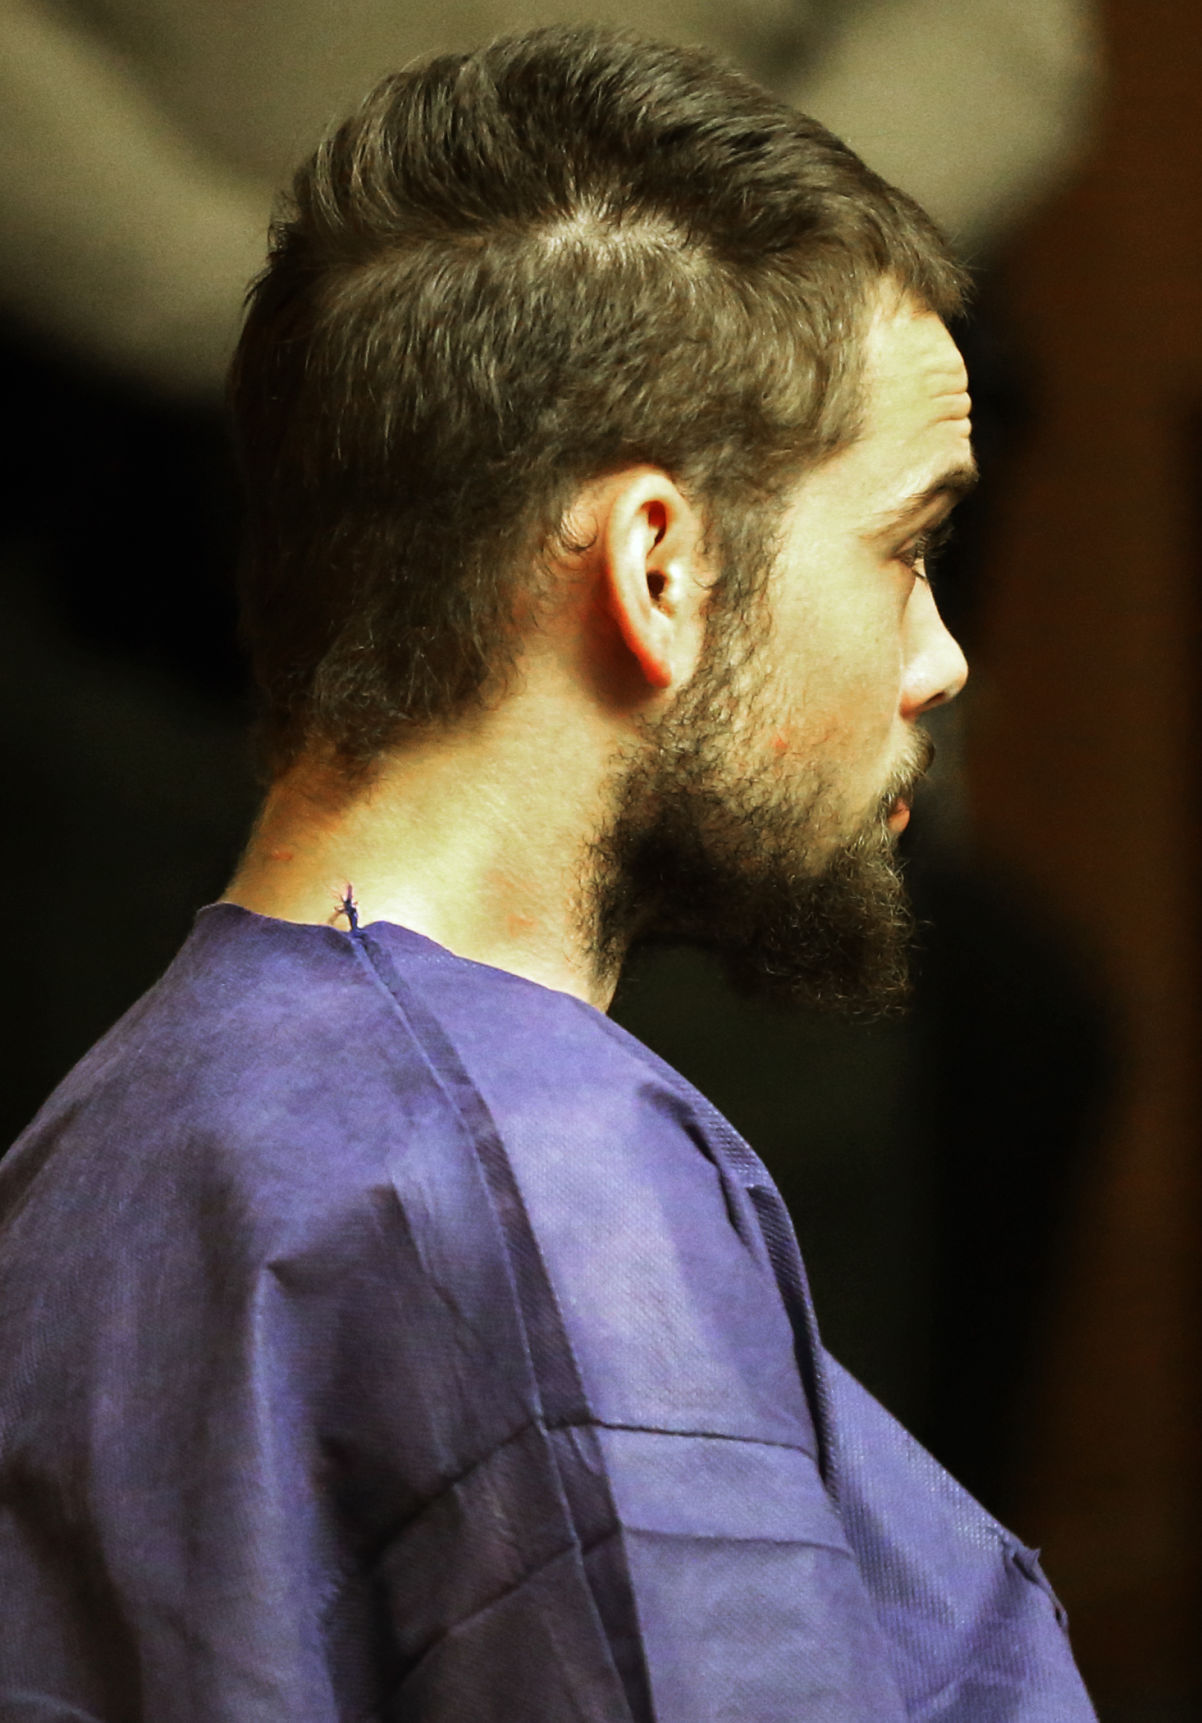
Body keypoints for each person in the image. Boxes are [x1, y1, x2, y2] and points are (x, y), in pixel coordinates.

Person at [0, 26, 1096, 1721]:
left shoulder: (99, 1145)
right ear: (658, 568)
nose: (939, 658)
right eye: (903, 547)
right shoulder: (549, 1205)